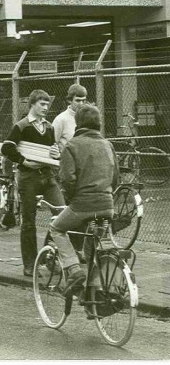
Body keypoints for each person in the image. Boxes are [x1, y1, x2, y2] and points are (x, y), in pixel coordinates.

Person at [50, 104, 120, 291]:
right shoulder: (108, 144)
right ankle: (94, 295)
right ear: (98, 123)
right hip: (107, 205)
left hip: (82, 205)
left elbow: (67, 179)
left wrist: (71, 199)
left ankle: (73, 270)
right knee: (93, 247)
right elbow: (115, 178)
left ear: (78, 124)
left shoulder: (71, 145)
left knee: (56, 228)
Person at [0, 89, 64, 277]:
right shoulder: (22, 126)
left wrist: (55, 153)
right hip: (28, 177)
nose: (46, 108)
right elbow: (7, 147)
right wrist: (23, 161)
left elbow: (52, 150)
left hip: (47, 175)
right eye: (42, 104)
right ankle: (30, 264)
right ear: (32, 104)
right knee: (29, 221)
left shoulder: (49, 127)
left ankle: (47, 255)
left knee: (62, 213)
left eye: (47, 104)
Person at [53, 83, 88, 153]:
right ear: (69, 100)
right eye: (78, 100)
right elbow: (53, 145)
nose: (81, 104)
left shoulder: (88, 117)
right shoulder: (60, 119)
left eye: (83, 100)